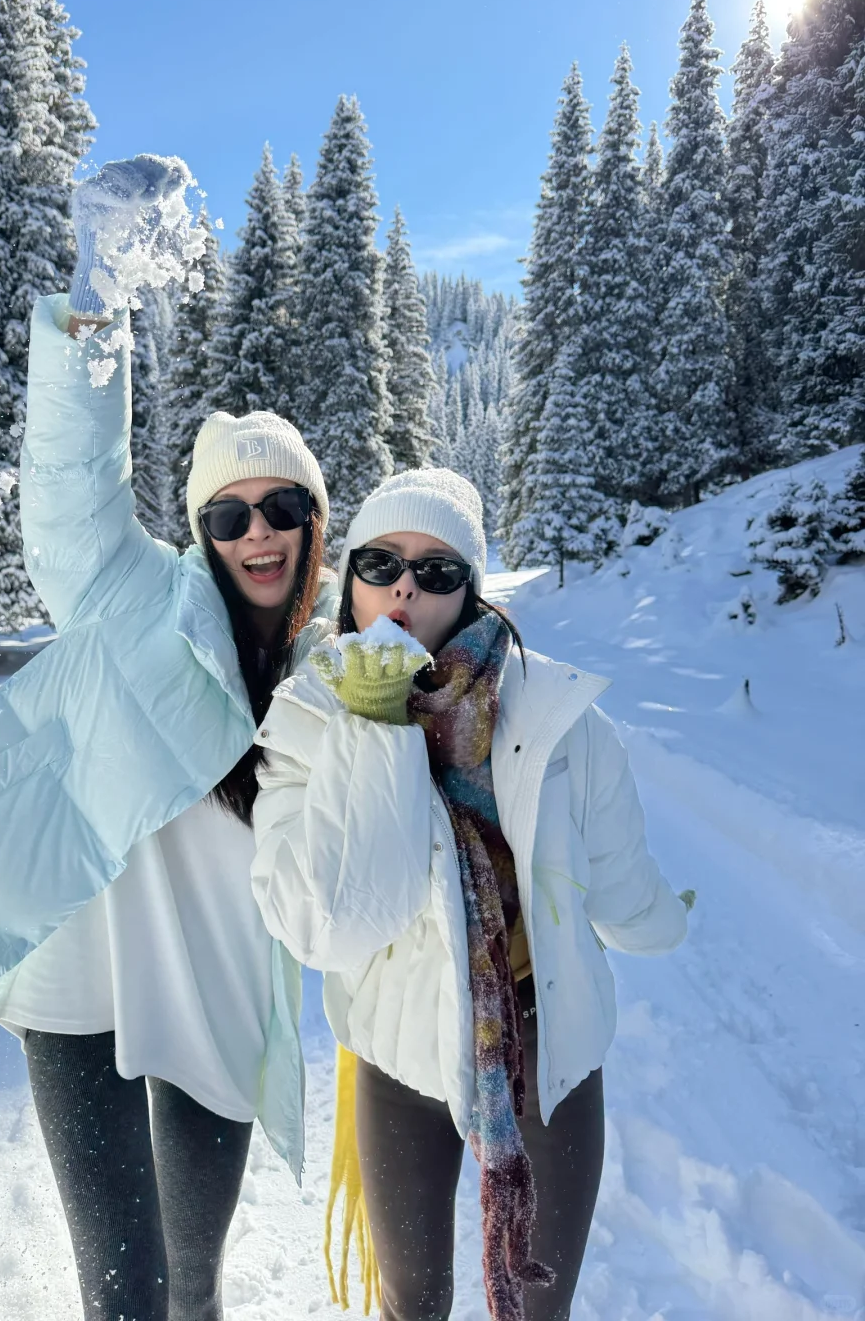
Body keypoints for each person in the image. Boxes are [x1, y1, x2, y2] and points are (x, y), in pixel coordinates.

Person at [0, 156, 335, 1321]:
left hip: (214, 1010)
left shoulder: (329, 679)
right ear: (201, 530)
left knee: (194, 1289)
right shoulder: (136, 597)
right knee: (123, 1297)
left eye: (282, 507)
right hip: (77, 998)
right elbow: (72, 492)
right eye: (228, 513)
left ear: (313, 526)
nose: (256, 533)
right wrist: (100, 297)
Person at [250, 468, 691, 1321]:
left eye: (438, 569)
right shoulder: (306, 720)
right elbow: (331, 926)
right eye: (380, 562)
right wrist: (374, 727)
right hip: (399, 1046)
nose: (406, 584)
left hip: (548, 1041)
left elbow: (620, 875)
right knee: (411, 1303)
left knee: (538, 1307)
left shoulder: (561, 715)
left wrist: (661, 919)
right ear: (352, 581)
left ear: (472, 593)